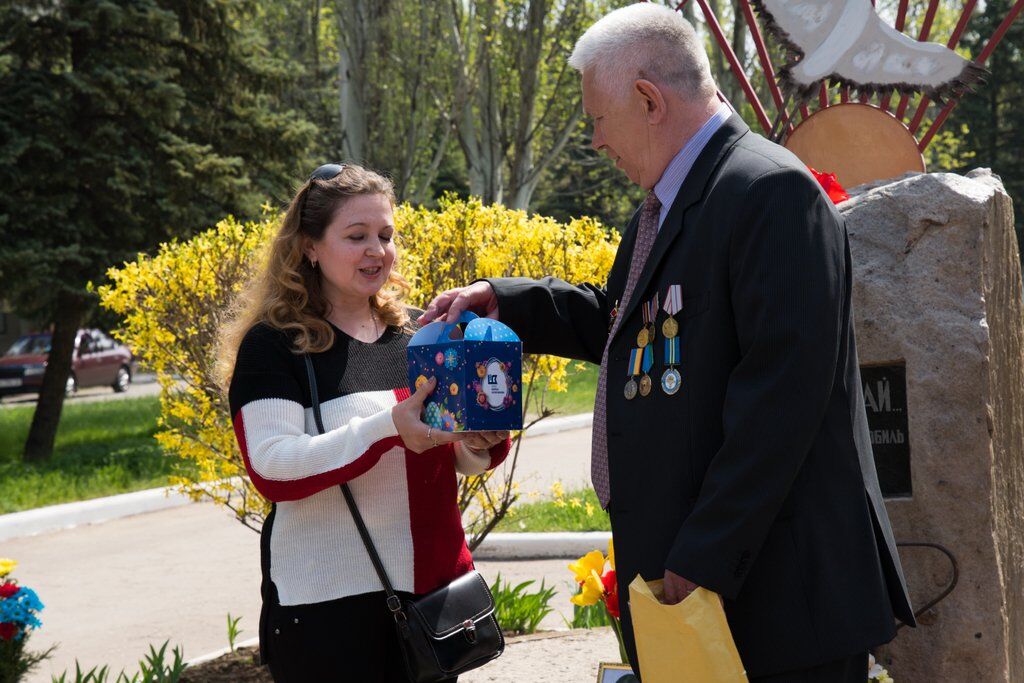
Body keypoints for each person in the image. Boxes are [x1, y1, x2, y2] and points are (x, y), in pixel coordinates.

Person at [420, 4, 915, 681]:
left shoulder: (770, 194)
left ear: (648, 99)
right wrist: (507, 301)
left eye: (597, 118)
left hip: (774, 602)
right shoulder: (673, 202)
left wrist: (702, 553)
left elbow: (782, 401)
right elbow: (626, 323)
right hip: (704, 594)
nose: (596, 140)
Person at [220, 163, 510, 682]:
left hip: (433, 598)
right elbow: (272, 469)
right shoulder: (274, 345)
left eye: (385, 234)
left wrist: (479, 442)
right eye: (356, 236)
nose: (377, 250)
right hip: (326, 611)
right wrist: (385, 430)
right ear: (310, 246)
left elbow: (442, 450)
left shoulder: (418, 335)